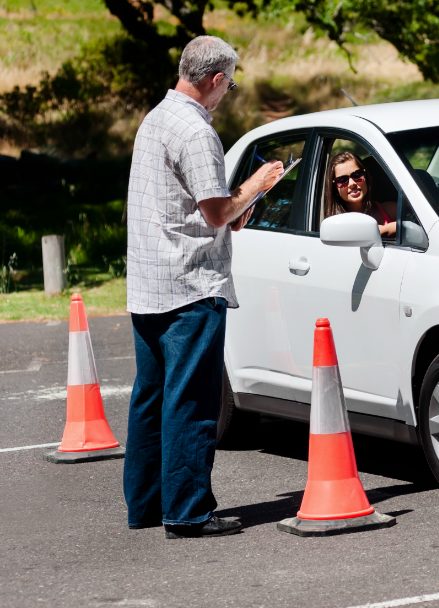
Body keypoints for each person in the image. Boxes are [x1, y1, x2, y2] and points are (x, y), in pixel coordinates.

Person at [124, 35, 283, 539]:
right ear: (214, 80)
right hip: (190, 283)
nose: (228, 91)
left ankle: (146, 504)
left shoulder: (155, 119)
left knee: (151, 397)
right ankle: (188, 511)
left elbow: (195, 208)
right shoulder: (196, 132)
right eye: (230, 84)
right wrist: (256, 184)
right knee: (191, 402)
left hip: (149, 280)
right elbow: (216, 210)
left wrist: (234, 210)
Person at [324, 151, 439, 235]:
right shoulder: (338, 224)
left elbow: (419, 218)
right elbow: (375, 231)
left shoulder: (387, 208)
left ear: (367, 178)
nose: (352, 183)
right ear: (335, 187)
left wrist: (437, 211)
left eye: (357, 175)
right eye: (342, 180)